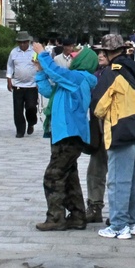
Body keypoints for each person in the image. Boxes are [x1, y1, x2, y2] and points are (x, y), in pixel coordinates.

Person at [92, 33, 135, 240]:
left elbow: (99, 105)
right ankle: (133, 221)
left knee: (118, 180)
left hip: (122, 130)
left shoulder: (112, 73)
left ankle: (119, 225)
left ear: (107, 52)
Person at [32, 42, 99, 231]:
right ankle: (77, 216)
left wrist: (42, 54)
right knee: (69, 175)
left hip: (69, 134)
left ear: (85, 60)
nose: (73, 55)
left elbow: (56, 72)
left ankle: (55, 218)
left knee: (53, 175)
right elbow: (49, 91)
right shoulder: (72, 80)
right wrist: (40, 71)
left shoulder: (79, 78)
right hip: (64, 134)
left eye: (78, 54)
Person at [85, 48, 111, 224]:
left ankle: (121, 212)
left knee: (118, 172)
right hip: (98, 126)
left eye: (105, 53)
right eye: (99, 52)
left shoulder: (118, 74)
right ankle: (95, 207)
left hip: (116, 127)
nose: (100, 55)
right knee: (95, 168)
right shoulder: (96, 74)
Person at [7, 31, 39, 138]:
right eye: (20, 42)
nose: (22, 44)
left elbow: (39, 67)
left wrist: (40, 81)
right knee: (18, 109)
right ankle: (20, 130)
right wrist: (9, 79)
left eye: (24, 42)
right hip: (18, 86)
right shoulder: (14, 52)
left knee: (31, 107)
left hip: (32, 85)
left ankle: (31, 122)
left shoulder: (34, 52)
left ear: (28, 42)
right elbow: (10, 66)